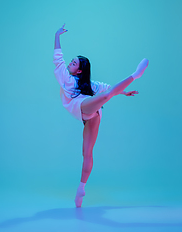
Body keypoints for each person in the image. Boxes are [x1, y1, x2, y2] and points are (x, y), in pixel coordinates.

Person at [53, 24, 149, 207]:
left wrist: (124, 93)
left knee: (105, 97)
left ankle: (136, 75)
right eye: (71, 61)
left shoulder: (89, 84)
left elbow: (107, 88)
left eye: (73, 63)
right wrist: (57, 35)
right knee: (86, 151)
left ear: (79, 70)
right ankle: (80, 191)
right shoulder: (66, 79)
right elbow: (58, 59)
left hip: (92, 112)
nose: (69, 64)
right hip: (81, 108)